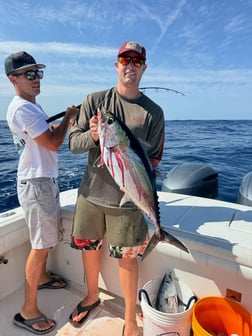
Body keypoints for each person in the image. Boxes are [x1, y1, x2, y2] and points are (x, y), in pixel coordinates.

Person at [68, 41, 165, 336]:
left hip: (130, 198)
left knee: (128, 257)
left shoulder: (153, 113)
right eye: (126, 59)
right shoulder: (96, 102)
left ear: (144, 68)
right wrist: (95, 135)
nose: (131, 66)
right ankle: (91, 295)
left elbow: (155, 158)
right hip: (91, 195)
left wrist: (137, 185)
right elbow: (73, 144)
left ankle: (131, 320)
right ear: (116, 64)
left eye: (137, 62)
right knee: (88, 248)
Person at [5, 51, 79, 335]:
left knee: (45, 241)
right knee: (40, 246)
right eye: (29, 74)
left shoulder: (31, 107)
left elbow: (44, 139)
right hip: (37, 184)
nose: (36, 79)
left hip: (43, 181)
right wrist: (69, 117)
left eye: (38, 73)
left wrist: (65, 122)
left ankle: (44, 277)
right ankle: (27, 311)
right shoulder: (22, 108)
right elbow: (52, 144)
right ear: (13, 79)